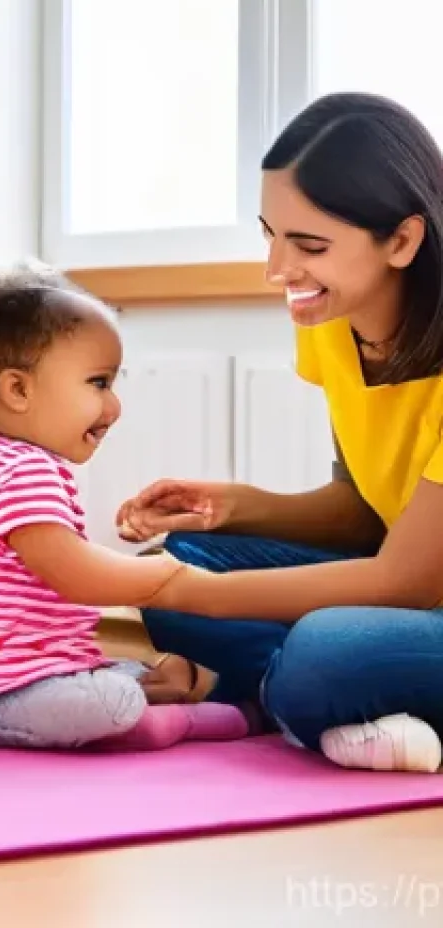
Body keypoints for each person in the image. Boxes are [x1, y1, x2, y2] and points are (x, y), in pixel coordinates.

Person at [117, 92, 443, 774]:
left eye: (309, 245)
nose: (276, 269)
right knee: (185, 554)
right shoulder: (332, 324)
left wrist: (188, 593)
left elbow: (406, 580)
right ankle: (305, 699)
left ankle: (278, 689)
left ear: (402, 241)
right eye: (270, 234)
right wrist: (231, 507)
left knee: (323, 649)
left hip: (418, 591)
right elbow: (362, 510)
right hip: (409, 588)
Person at [0, 266, 251, 751]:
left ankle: (165, 690)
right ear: (18, 390)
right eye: (98, 383)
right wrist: (167, 573)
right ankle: (177, 720)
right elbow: (79, 576)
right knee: (114, 701)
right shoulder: (21, 469)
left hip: (24, 679)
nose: (114, 406)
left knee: (124, 677)